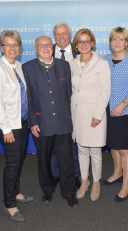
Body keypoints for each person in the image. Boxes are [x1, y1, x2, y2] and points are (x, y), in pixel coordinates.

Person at [22, 35, 78, 208]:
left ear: (53, 47)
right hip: (41, 123)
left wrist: (70, 119)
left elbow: (69, 94)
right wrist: (32, 121)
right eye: (41, 45)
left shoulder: (64, 66)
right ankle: (47, 189)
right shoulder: (28, 68)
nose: (46, 48)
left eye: (48, 45)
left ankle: (69, 192)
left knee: (66, 160)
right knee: (44, 160)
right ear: (36, 48)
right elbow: (28, 97)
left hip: (63, 123)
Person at [0, 30, 33, 222]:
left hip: (21, 122)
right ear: (1, 48)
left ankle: (15, 192)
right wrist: (6, 129)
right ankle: (10, 204)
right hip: (8, 126)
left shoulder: (20, 66)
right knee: (12, 164)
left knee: (19, 159)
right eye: (8, 44)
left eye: (16, 44)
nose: (12, 48)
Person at [70, 28, 111, 202]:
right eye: (80, 41)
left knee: (95, 151)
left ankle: (96, 182)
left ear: (93, 43)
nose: (84, 45)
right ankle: (84, 181)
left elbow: (105, 92)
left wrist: (98, 114)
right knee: (81, 150)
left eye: (87, 41)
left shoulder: (101, 64)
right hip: (77, 114)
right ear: (76, 45)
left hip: (95, 114)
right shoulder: (72, 63)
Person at [102, 27, 128, 202]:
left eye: (121, 39)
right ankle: (117, 172)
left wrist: (123, 103)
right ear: (110, 42)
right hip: (107, 112)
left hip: (124, 112)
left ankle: (126, 185)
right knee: (113, 146)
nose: (117, 42)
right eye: (114, 39)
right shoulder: (105, 60)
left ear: (126, 42)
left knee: (125, 149)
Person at [51, 22, 81, 189]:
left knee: (74, 141)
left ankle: (75, 174)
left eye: (65, 34)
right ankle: (55, 173)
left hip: (75, 104)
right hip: (54, 106)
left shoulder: (80, 52)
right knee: (56, 141)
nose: (62, 37)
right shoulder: (47, 51)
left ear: (70, 35)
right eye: (58, 34)